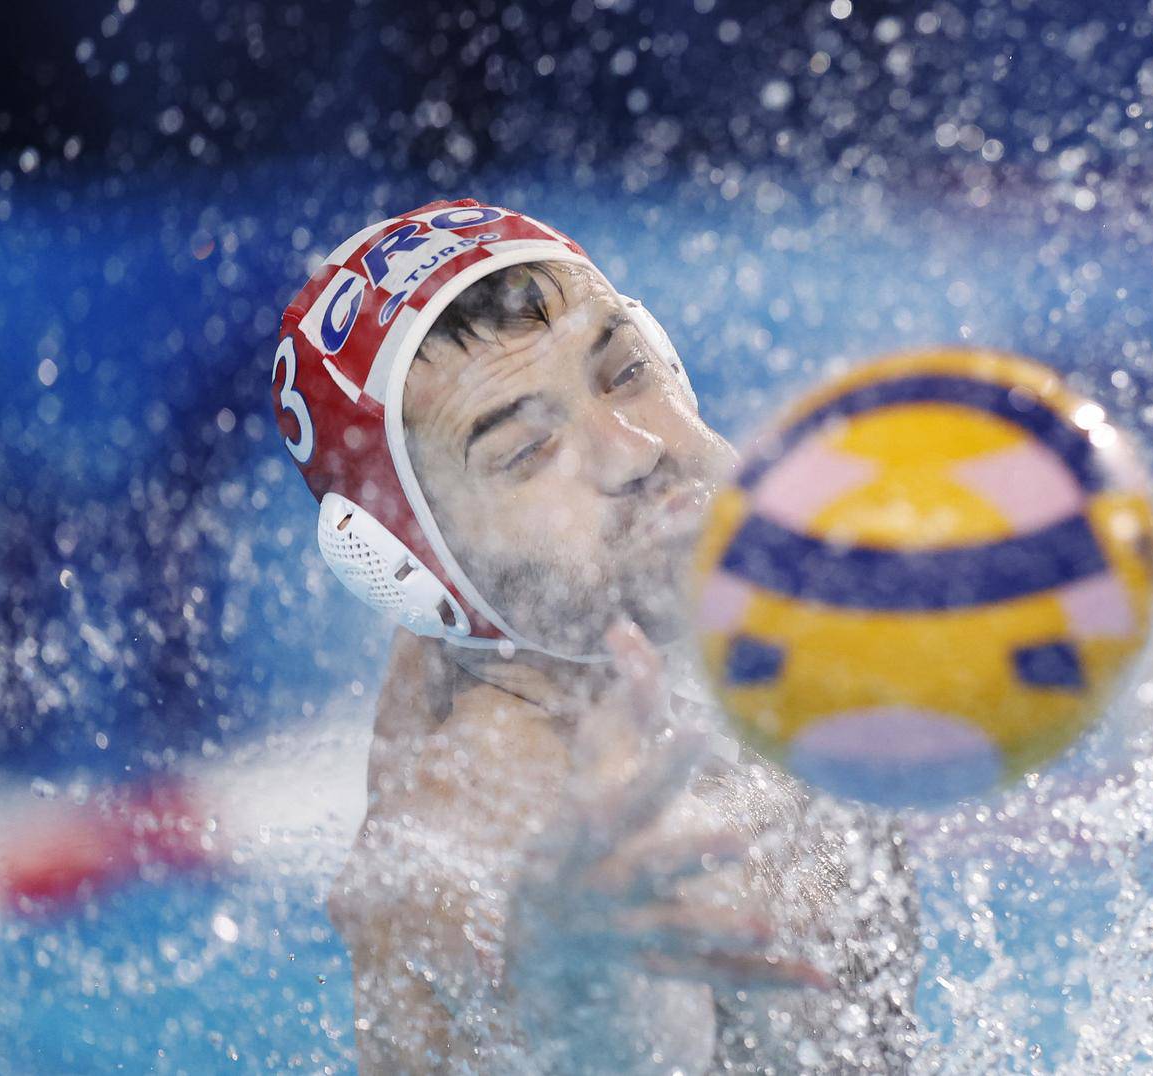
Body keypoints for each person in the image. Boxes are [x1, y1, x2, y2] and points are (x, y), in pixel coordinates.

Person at [271, 200, 923, 1073]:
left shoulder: (623, 612)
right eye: (527, 451)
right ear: (412, 568)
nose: (634, 450)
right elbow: (612, 1024)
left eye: (623, 373)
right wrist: (577, 966)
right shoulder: (467, 837)